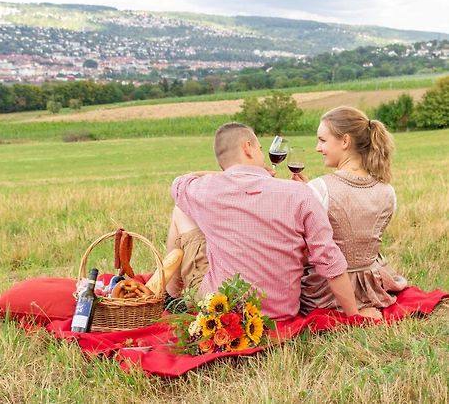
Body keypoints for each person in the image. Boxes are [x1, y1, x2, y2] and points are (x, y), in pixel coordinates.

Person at [165, 122, 360, 321]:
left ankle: (170, 296)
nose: (262, 154)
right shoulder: (301, 193)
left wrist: (229, 175)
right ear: (247, 147)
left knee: (181, 210)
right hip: (279, 314)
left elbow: (180, 182)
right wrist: (354, 315)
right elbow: (329, 260)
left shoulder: (206, 190)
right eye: (260, 148)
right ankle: (171, 296)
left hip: (220, 309)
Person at [296, 106, 407, 318]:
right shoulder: (387, 191)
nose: (317, 148)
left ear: (345, 141)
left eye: (322, 140)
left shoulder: (320, 189)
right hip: (371, 288)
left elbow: (304, 250)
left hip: (324, 293)